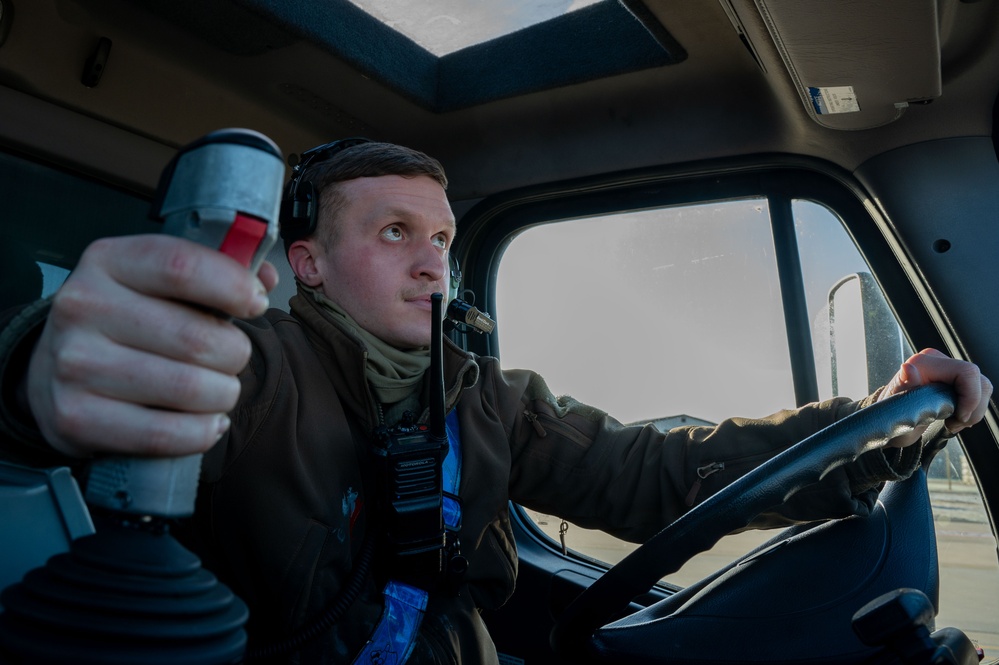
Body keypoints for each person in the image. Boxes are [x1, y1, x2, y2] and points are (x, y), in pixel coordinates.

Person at [0, 139, 992, 664]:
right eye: (394, 231)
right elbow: (111, 384)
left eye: (441, 235)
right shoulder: (251, 368)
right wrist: (41, 371)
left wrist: (879, 418)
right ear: (306, 262)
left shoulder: (490, 398)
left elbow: (664, 470)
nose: (433, 257)